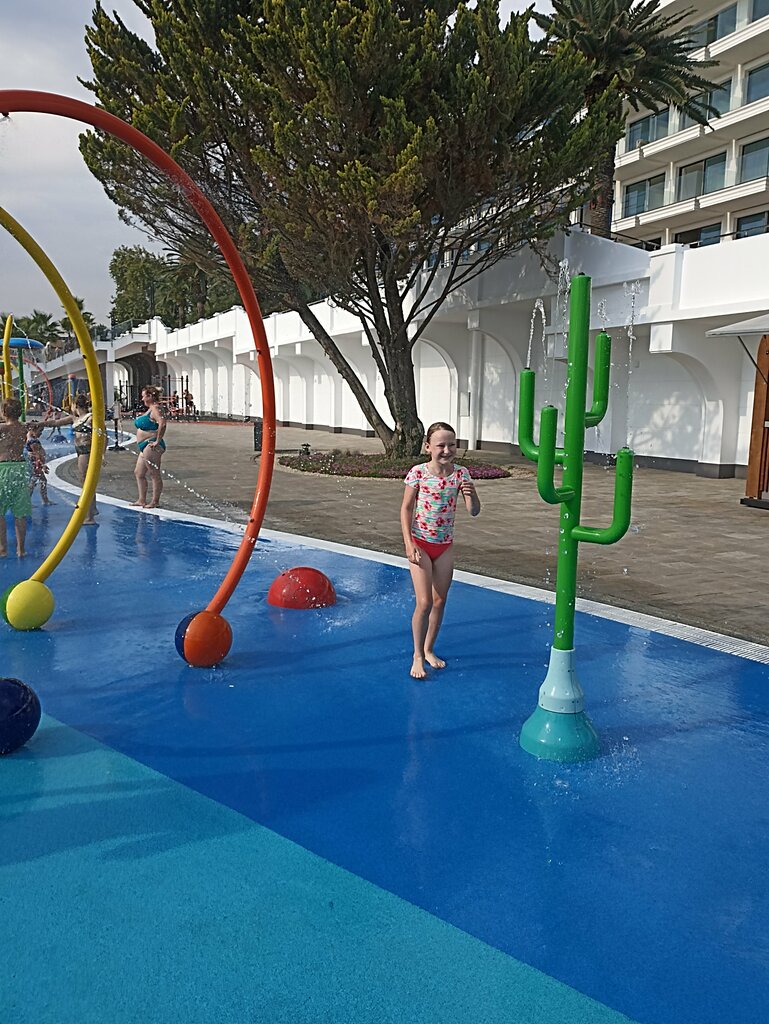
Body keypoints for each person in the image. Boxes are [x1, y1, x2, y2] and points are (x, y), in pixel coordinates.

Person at [400, 421, 481, 679]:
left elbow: (474, 511)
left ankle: (429, 649)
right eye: (440, 445)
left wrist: (472, 494)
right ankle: (417, 655)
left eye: (451, 445)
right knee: (424, 603)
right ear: (428, 447)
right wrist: (409, 543)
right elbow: (406, 508)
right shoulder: (418, 473)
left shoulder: (461, 474)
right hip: (420, 544)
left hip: (444, 546)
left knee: (439, 601)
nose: (447, 450)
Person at [45, 393, 99, 524]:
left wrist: (101, 455)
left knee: (86, 482)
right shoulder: (75, 418)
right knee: (86, 481)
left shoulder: (90, 418)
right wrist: (40, 424)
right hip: (80, 451)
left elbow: (102, 436)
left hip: (87, 451)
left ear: (75, 405)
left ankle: (89, 517)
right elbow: (55, 422)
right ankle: (93, 509)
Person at [0, 397, 33, 556]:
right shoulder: (24, 428)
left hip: (2, 469)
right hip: (20, 469)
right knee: (20, 512)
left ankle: (2, 548)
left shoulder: (2, 428)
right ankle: (21, 549)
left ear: (3, 412)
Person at [133, 385, 167, 508]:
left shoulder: (156, 409)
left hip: (151, 445)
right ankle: (141, 499)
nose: (142, 399)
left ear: (150, 396)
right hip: (145, 446)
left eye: (143, 396)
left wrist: (158, 440)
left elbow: (162, 423)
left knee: (154, 473)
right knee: (139, 473)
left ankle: (155, 501)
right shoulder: (150, 409)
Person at [25, 423, 54, 506]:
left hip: (34, 463)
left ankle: (44, 500)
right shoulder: (33, 442)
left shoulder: (30, 438)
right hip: (36, 464)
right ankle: (41, 500)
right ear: (33, 430)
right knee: (36, 482)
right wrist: (42, 465)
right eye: (40, 431)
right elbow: (37, 455)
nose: (41, 433)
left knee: (37, 481)